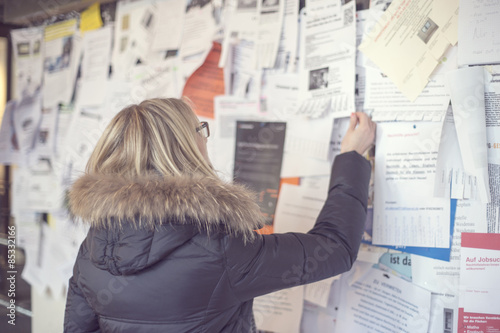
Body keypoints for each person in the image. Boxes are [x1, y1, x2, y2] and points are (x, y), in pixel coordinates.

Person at [64, 98, 376, 333]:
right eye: (200, 130)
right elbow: (335, 249)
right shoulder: (220, 249)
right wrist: (351, 158)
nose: (205, 138)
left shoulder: (92, 250)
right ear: (185, 147)